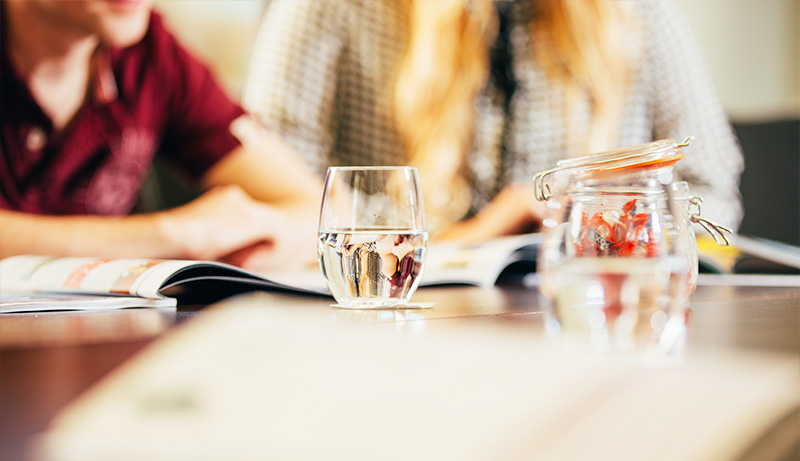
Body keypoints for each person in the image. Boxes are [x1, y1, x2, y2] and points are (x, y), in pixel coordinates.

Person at [243, 0, 743, 242]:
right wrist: (472, 233)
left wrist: (603, 222)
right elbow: (266, 200)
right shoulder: (331, 9)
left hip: (581, 316)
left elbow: (714, 194)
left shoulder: (638, 15)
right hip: (393, 324)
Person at [0, 0, 323, 271]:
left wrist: (238, 238)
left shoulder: (153, 57)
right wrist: (169, 235)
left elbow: (322, 210)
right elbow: (182, 237)